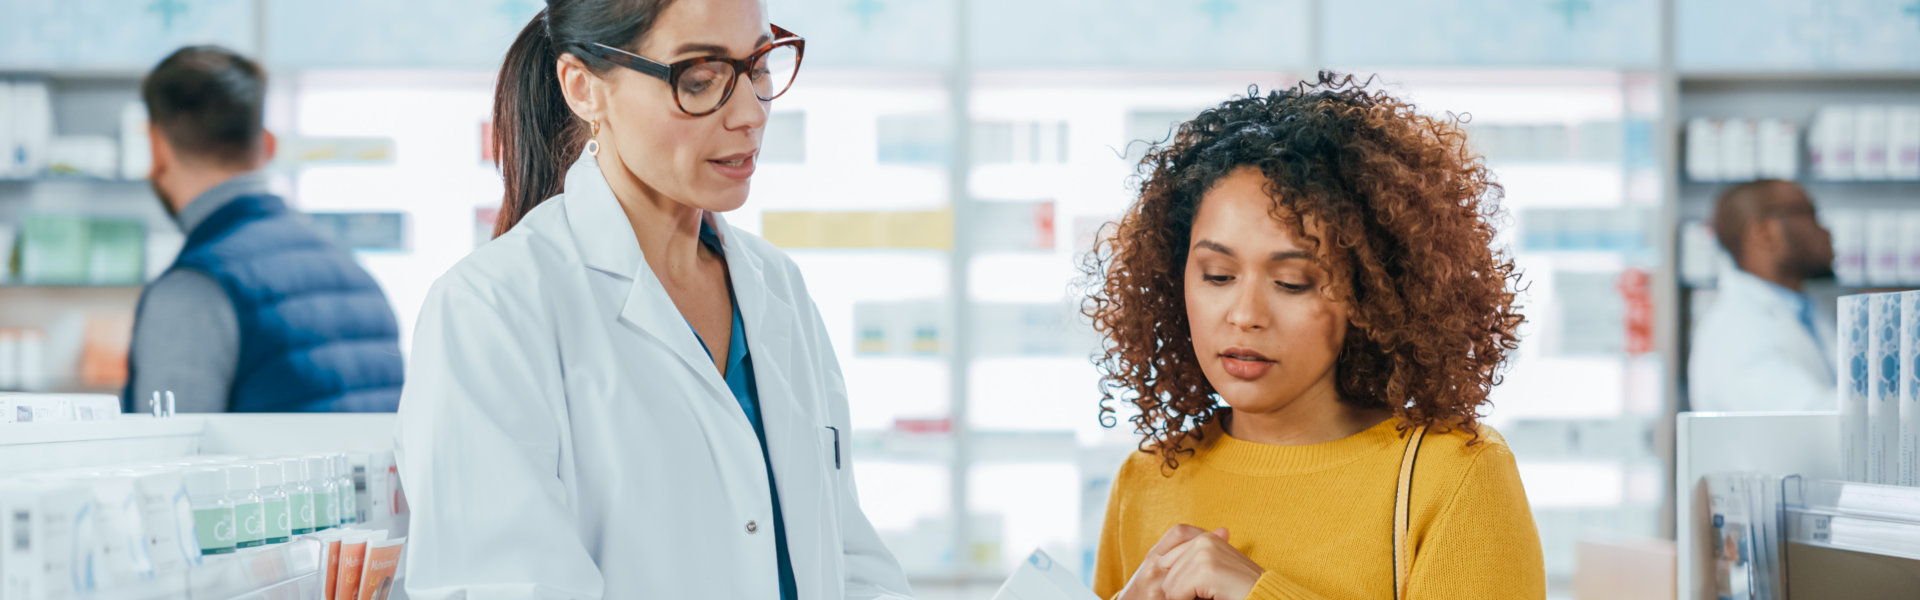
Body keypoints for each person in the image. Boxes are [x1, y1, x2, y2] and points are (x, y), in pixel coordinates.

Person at [393, 1, 911, 598]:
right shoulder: (491, 310)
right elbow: (507, 583)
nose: (750, 114)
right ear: (584, 88)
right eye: (698, 79)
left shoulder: (777, 285)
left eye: (760, 65)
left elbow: (844, 552)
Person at [1081, 73, 1544, 600]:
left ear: (1367, 293)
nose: (1246, 315)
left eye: (1291, 283)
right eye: (1217, 275)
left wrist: (1260, 592)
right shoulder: (1144, 482)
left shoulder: (1456, 476)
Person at [125, 45, 403, 413]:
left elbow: (164, 462)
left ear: (157, 147)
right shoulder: (356, 276)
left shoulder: (194, 291)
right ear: (268, 145)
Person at [1687, 179, 1837, 413]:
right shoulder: (1736, 331)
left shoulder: (1803, 311)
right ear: (1765, 234)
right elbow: (1809, 418)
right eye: (1809, 215)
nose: (1825, 230)